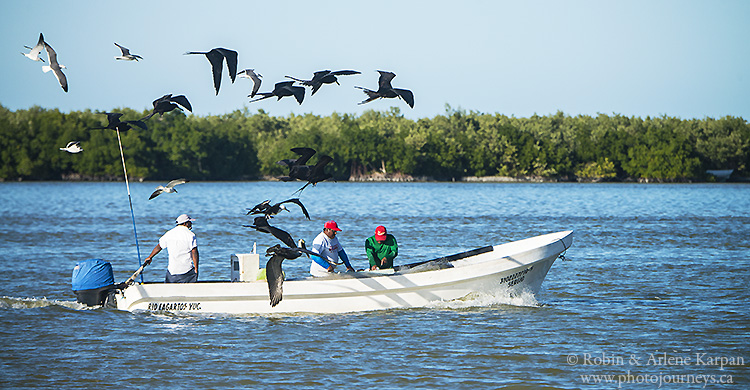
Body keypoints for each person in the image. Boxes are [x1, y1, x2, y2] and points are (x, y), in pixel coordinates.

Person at [143, 213, 199, 283]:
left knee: (170, 292)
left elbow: (159, 246)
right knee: (188, 292)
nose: (191, 224)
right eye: (189, 222)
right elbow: (194, 252)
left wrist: (150, 257)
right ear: (185, 223)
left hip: (172, 271)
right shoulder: (191, 235)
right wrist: (196, 268)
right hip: (186, 271)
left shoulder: (169, 233)